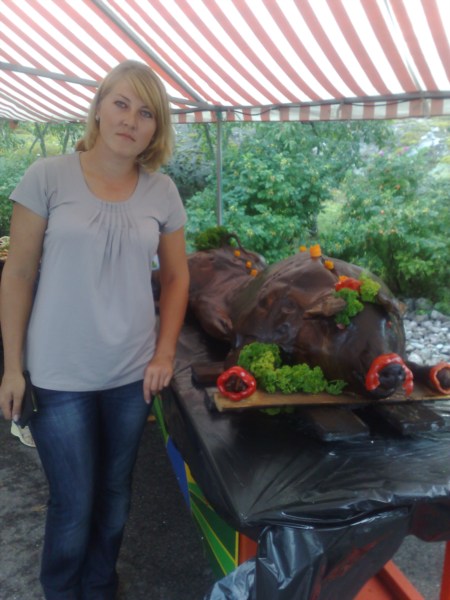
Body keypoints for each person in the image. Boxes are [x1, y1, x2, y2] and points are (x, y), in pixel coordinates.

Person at [0, 60, 190, 599]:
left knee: (115, 494)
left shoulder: (162, 192)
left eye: (146, 112)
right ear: (99, 108)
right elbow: (17, 273)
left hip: (130, 373)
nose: (130, 120)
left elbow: (177, 277)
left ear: (156, 129)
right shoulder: (47, 176)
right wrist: (12, 368)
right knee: (73, 500)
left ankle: (101, 585)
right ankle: (63, 590)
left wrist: (164, 353)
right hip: (58, 373)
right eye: (121, 103)